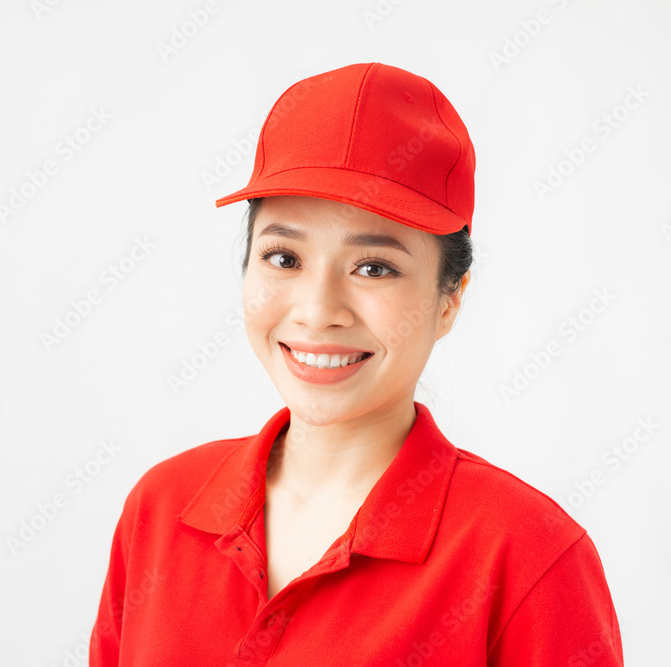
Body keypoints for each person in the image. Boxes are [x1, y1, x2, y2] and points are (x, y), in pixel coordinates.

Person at [89, 62, 624, 666]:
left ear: (449, 299)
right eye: (284, 257)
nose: (318, 312)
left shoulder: (528, 558)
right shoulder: (161, 509)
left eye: (374, 267)